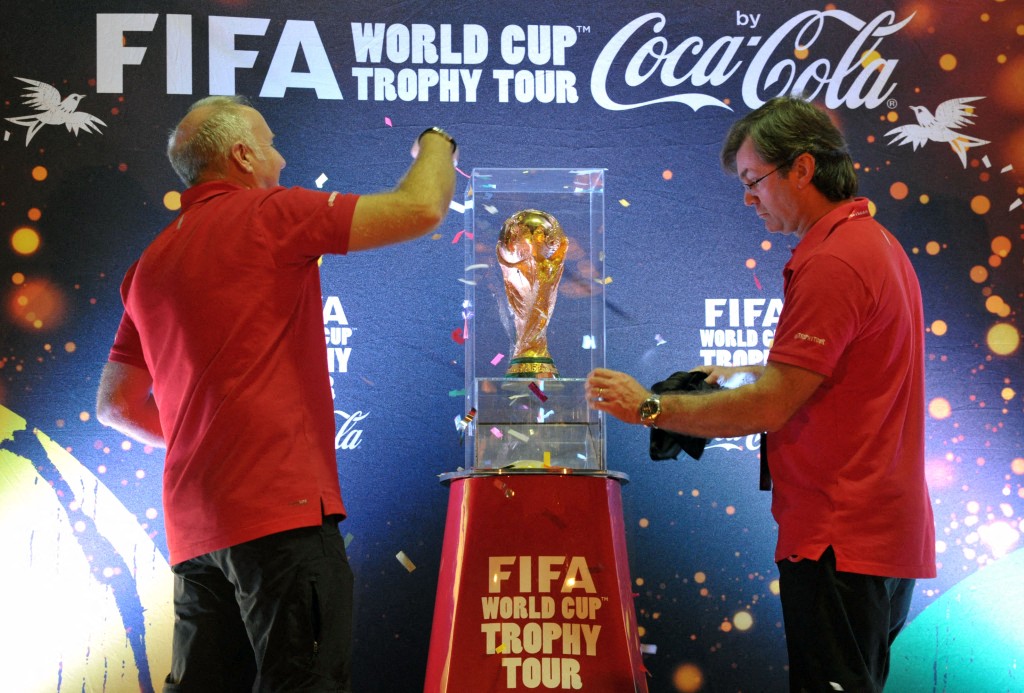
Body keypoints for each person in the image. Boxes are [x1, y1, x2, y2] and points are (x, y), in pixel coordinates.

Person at [95, 95, 457, 692]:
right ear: (242, 155)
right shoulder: (270, 213)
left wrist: (205, 438)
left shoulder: (148, 264)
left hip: (195, 531)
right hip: (280, 518)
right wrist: (437, 142)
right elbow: (420, 208)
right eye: (271, 144)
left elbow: (116, 406)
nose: (282, 159)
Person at [587, 95, 935, 692]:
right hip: (872, 531)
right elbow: (837, 371)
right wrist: (745, 371)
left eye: (753, 181)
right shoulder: (870, 242)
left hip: (839, 535)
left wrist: (648, 407)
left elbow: (771, 405)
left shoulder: (835, 260)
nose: (748, 198)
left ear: (802, 168)